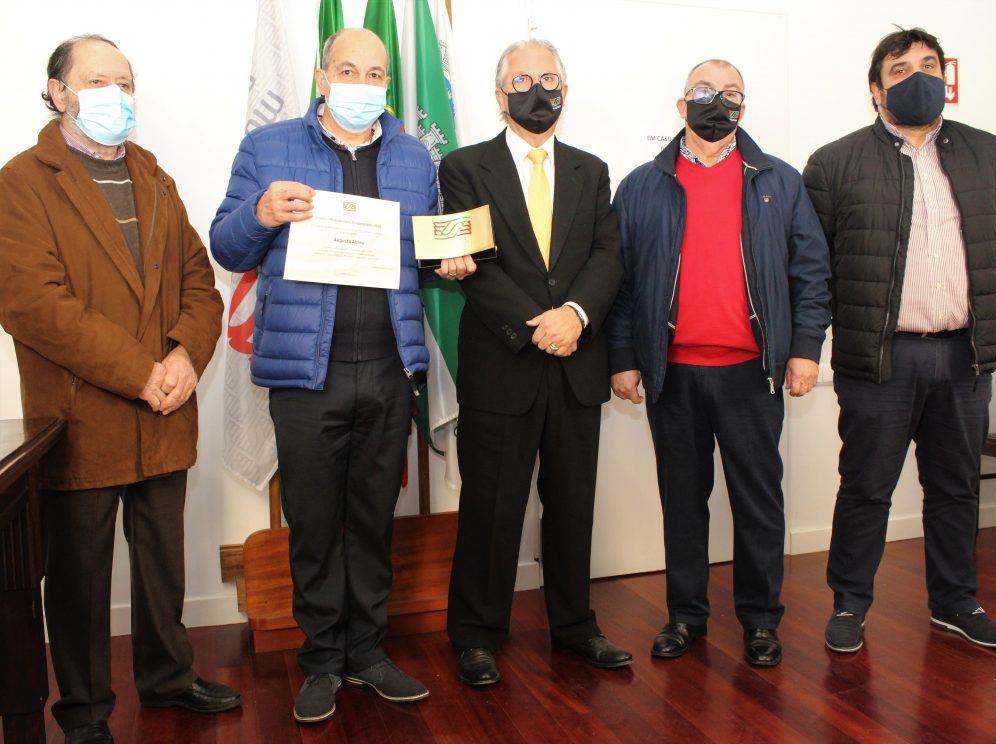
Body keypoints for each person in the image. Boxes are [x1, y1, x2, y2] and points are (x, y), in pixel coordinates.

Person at [0, 35, 236, 744]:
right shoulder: (22, 182)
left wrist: (186, 356)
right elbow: (34, 304)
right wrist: (142, 373)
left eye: (126, 83)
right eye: (99, 81)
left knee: (163, 562)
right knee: (78, 577)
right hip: (81, 418)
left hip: (165, 409)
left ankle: (168, 678)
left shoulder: (153, 175)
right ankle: (84, 711)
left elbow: (199, 282)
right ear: (59, 92)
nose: (118, 96)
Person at [210, 28, 437, 723]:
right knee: (313, 524)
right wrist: (260, 213)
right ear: (320, 76)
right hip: (306, 374)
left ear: (387, 84)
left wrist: (451, 259)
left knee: (372, 521)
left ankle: (367, 652)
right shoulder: (268, 147)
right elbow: (226, 244)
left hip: (389, 370)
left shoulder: (413, 156)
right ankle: (320, 661)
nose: (362, 84)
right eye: (348, 70)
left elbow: (425, 255)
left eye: (375, 74)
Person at [804, 27, 996, 654]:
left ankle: (956, 603)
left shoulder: (988, 152)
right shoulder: (834, 162)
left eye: (929, 65)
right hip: (881, 357)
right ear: (875, 90)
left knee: (956, 488)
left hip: (964, 354)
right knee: (866, 487)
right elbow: (817, 263)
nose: (918, 77)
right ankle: (850, 603)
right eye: (900, 70)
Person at [607, 59, 831, 668]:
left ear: (743, 108)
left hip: (752, 374)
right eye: (704, 92)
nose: (717, 102)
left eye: (730, 93)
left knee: (758, 503)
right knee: (683, 501)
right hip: (671, 373)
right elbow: (620, 282)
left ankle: (760, 621)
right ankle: (686, 616)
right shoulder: (642, 185)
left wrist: (805, 349)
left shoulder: (779, 181)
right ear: (681, 106)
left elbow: (812, 274)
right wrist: (623, 357)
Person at [436, 38, 629, 688]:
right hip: (503, 364)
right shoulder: (465, 167)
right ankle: (477, 635)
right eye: (522, 81)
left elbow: (607, 255)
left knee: (572, 505)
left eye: (549, 79)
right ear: (500, 95)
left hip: (575, 362)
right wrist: (538, 324)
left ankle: (574, 627)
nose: (537, 91)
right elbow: (471, 264)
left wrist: (574, 315)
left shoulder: (591, 170)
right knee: (491, 510)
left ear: (565, 92)